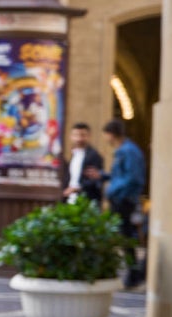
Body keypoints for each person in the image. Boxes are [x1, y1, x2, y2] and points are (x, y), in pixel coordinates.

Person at [104, 119, 148, 290]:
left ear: (111, 134)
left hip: (125, 201)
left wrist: (113, 191)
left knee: (127, 238)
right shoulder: (123, 150)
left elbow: (133, 178)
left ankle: (134, 274)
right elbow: (120, 176)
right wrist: (103, 176)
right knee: (123, 238)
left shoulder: (129, 151)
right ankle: (133, 273)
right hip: (121, 199)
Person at [63, 121, 104, 205]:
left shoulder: (94, 155)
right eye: (76, 135)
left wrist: (76, 188)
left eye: (82, 135)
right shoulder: (73, 154)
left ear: (88, 136)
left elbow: (95, 181)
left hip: (87, 200)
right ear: (71, 137)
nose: (79, 139)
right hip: (70, 200)